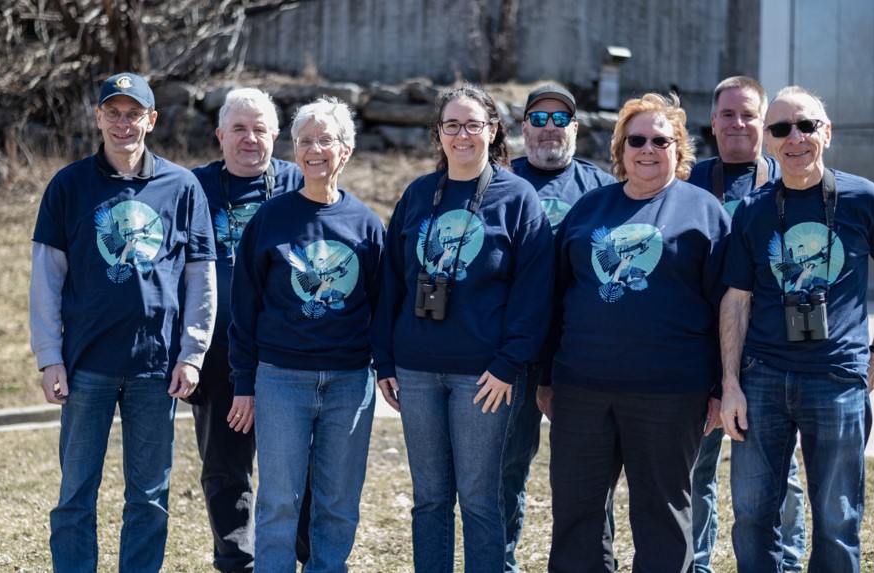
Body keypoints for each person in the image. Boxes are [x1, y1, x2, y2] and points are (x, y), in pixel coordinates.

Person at [29, 72, 217, 572]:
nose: (122, 122)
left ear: (151, 120)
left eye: (133, 113)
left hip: (156, 368)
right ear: (97, 118)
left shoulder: (182, 187)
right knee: (75, 495)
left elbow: (201, 278)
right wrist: (49, 358)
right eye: (112, 112)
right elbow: (46, 279)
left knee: (149, 498)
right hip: (86, 363)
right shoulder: (68, 186)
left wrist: (192, 354)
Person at [720, 86, 874, 573]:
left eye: (806, 125)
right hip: (762, 378)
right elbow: (736, 300)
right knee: (751, 515)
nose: (795, 137)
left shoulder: (863, 198)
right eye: (781, 128)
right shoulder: (753, 209)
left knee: (836, 517)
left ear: (826, 133)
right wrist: (730, 383)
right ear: (768, 140)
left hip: (837, 380)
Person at [542, 92, 730, 572]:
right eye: (637, 140)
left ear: (679, 148)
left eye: (660, 140)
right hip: (582, 388)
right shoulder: (588, 209)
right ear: (621, 149)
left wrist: (719, 388)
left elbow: (727, 307)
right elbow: (555, 297)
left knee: (662, 515)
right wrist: (546, 374)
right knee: (576, 513)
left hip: (671, 393)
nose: (648, 149)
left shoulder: (704, 212)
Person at [373, 83, 555, 572]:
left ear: (492, 130)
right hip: (415, 371)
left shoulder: (517, 198)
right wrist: (384, 359)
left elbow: (533, 293)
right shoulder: (417, 194)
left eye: (473, 124)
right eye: (451, 125)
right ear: (438, 134)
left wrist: (508, 364)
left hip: (484, 378)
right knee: (429, 499)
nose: (462, 135)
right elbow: (390, 282)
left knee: (479, 499)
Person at [227, 97, 384, 572]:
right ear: (294, 151)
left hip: (349, 382)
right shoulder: (269, 220)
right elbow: (244, 307)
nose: (314, 150)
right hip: (281, 380)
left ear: (347, 149)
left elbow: (382, 306)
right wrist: (244, 381)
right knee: (279, 500)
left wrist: (385, 369)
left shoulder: (366, 224)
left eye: (325, 140)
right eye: (304, 141)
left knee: (337, 502)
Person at [685, 76, 806, 573]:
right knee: (696, 469)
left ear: (765, 123)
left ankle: (790, 561)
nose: (738, 123)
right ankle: (695, 563)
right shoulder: (687, 179)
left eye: (749, 114)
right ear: (712, 122)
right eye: (728, 114)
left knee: (783, 472)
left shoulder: (791, 178)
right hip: (701, 353)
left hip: (772, 353)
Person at [189, 87, 306, 573]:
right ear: (219, 135)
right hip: (218, 355)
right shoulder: (192, 189)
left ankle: (309, 556)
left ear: (276, 136)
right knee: (224, 467)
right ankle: (238, 561)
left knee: (300, 468)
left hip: (288, 354)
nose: (250, 138)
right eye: (238, 128)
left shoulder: (300, 182)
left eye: (260, 128)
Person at [505, 83, 616, 573]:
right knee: (504, 472)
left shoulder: (600, 188)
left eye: (560, 119)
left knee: (589, 477)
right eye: (539, 118)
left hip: (579, 358)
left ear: (575, 127)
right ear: (523, 126)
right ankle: (499, 561)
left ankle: (592, 562)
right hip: (512, 357)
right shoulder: (498, 180)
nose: (549, 128)